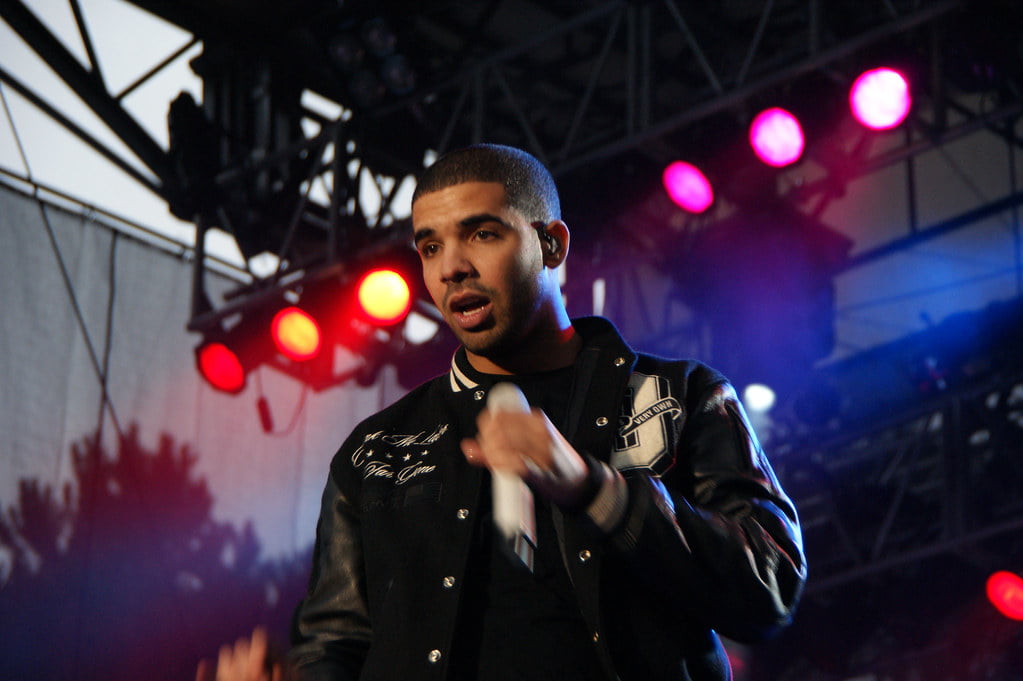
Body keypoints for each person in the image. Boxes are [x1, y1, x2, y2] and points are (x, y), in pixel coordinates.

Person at [202, 143, 806, 681]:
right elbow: (335, 645)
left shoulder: (675, 395)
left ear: (552, 244)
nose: (451, 267)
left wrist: (598, 491)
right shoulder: (376, 450)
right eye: (430, 246)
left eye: (482, 234)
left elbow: (770, 584)